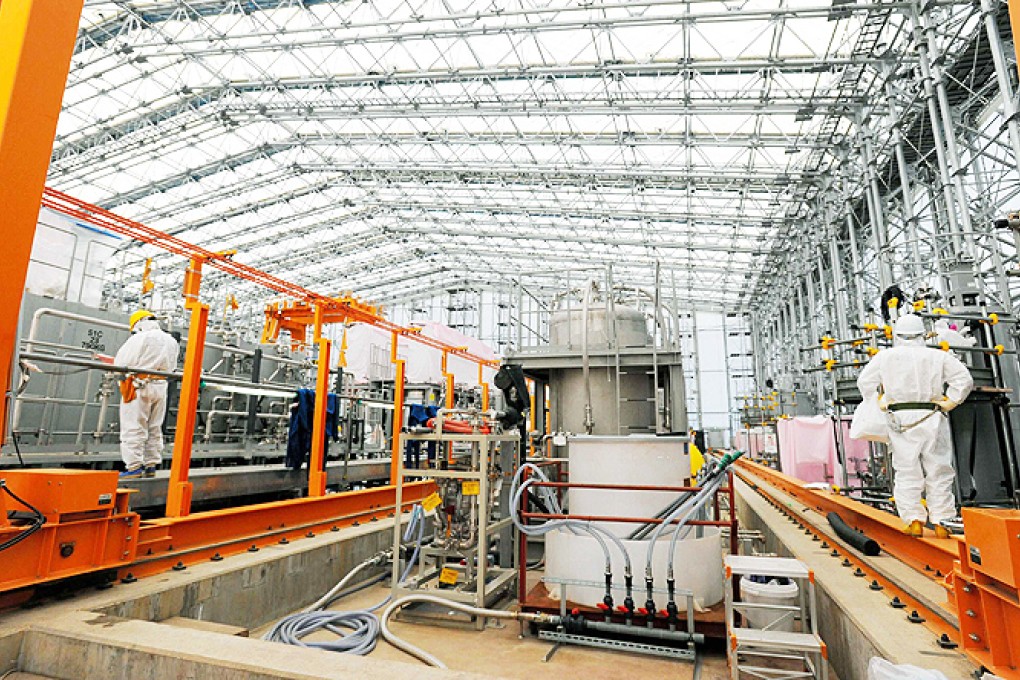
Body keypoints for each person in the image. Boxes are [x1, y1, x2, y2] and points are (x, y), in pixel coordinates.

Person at [857, 314, 973, 537]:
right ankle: (942, 522)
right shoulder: (937, 356)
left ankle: (914, 521)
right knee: (939, 468)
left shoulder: (886, 357)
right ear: (923, 333)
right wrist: (951, 400)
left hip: (900, 418)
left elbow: (865, 382)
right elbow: (964, 379)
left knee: (907, 469)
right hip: (932, 415)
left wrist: (878, 400)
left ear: (896, 334)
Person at [115, 310, 179, 478]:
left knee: (133, 425)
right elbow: (172, 367)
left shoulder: (139, 338)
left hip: (139, 385)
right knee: (154, 426)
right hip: (161, 385)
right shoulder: (171, 341)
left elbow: (121, 363)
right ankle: (151, 464)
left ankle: (134, 466)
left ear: (138, 323)